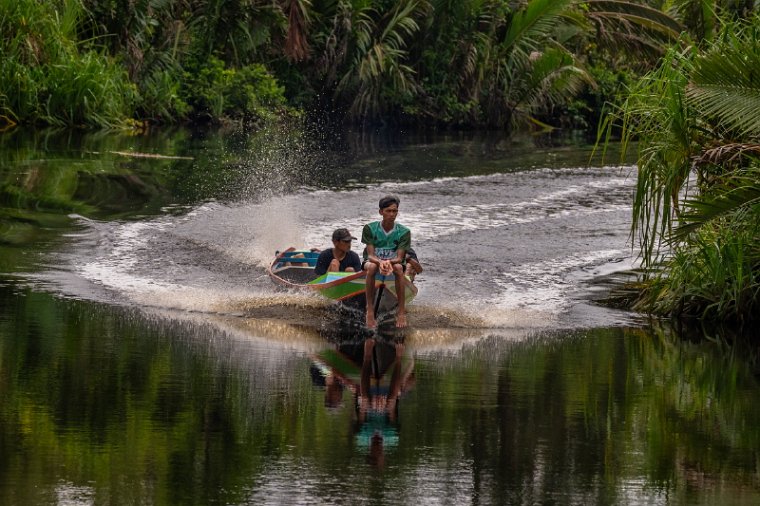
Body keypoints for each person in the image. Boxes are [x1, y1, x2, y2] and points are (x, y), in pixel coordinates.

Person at [361, 195, 411, 328]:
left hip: (393, 264)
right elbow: (370, 255)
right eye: (388, 211)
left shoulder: (404, 232)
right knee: (371, 267)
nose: (392, 214)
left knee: (400, 269)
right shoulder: (369, 228)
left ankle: (401, 312)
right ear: (381, 212)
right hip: (373, 262)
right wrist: (380, 263)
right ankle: (370, 310)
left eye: (394, 211)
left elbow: (400, 258)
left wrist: (388, 262)